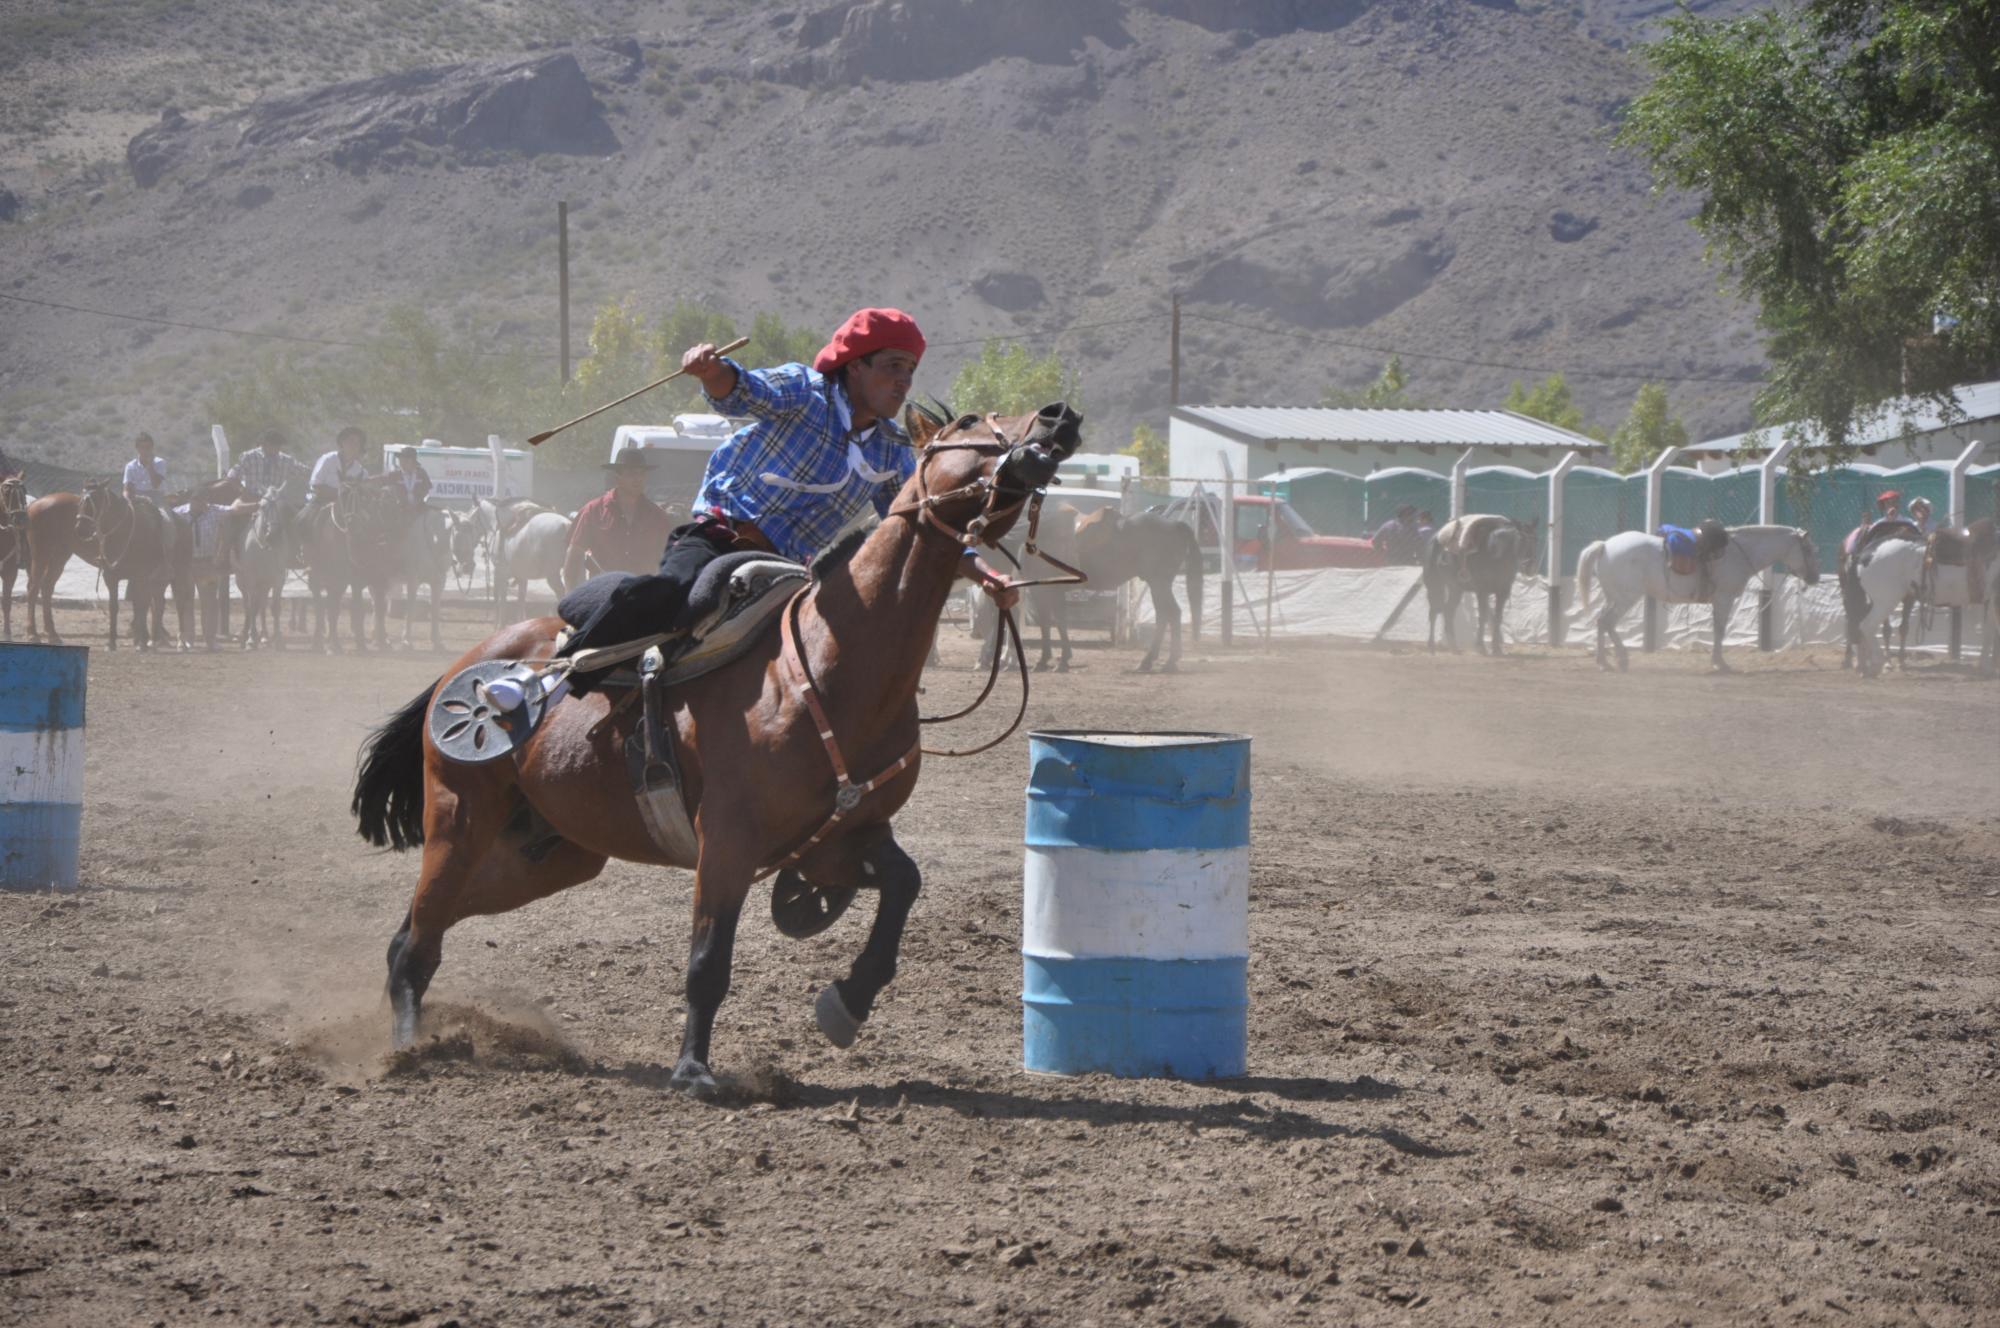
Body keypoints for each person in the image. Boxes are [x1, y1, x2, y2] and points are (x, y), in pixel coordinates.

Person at [560, 307, 1017, 689]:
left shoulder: (890, 450)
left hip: (791, 568)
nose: (904, 382)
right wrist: (712, 371)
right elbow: (742, 392)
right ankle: (565, 674)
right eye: (893, 366)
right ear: (855, 366)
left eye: (910, 371)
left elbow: (919, 522)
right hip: (721, 539)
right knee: (675, 595)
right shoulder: (804, 392)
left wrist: (985, 574)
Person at [563, 446, 676, 587]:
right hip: (602, 593)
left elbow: (669, 559)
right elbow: (574, 558)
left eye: (641, 473)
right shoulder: (592, 511)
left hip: (642, 594)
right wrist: (571, 596)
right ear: (617, 477)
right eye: (631, 474)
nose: (638, 479)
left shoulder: (657, 516)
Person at [306, 427, 371, 520]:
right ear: (342, 442)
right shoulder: (328, 459)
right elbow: (316, 486)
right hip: (319, 504)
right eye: (351, 441)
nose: (354, 445)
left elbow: (362, 495)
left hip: (347, 509)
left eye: (358, 443)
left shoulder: (361, 472)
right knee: (302, 522)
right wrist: (340, 494)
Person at [228, 427, 307, 500]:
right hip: (252, 499)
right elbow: (232, 476)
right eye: (274, 445)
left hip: (275, 502)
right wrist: (243, 491)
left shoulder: (286, 461)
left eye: (279, 445)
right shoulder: (249, 457)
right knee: (236, 508)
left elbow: (306, 472)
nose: (278, 448)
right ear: (264, 444)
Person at [122, 432, 169, 508]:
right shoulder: (130, 466)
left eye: (148, 447)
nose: (145, 450)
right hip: (137, 499)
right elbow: (126, 489)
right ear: (137, 448)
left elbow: (156, 485)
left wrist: (150, 466)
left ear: (152, 448)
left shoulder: (160, 462)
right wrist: (128, 499)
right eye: (142, 447)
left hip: (157, 499)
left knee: (165, 515)